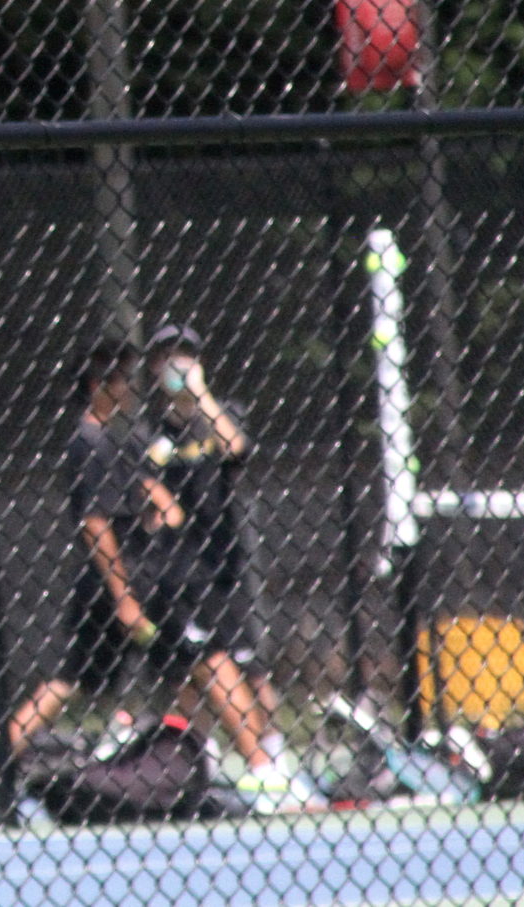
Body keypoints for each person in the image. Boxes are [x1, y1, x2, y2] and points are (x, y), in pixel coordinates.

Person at [3, 340, 293, 810]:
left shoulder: (131, 436)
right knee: (207, 662)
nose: (133, 388)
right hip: (146, 582)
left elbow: (218, 458)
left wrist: (159, 494)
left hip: (174, 576)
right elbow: (100, 522)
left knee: (83, 677)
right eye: (124, 380)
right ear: (100, 386)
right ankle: (265, 772)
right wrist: (125, 595)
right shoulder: (110, 440)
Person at [142, 321, 315, 804]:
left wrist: (199, 397)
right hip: (179, 571)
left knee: (251, 670)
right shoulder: (150, 434)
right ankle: (216, 761)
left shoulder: (223, 414)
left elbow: (237, 447)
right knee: (195, 670)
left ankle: (274, 757)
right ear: (153, 368)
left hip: (226, 566)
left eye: (185, 355)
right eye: (166, 357)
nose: (176, 364)